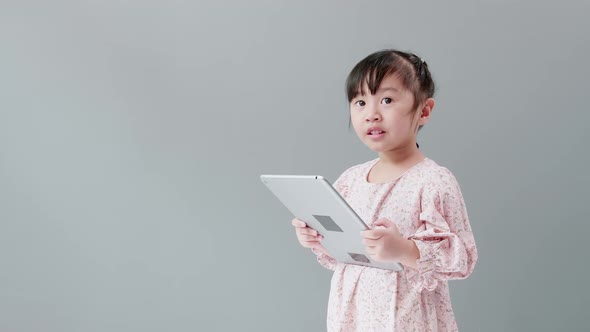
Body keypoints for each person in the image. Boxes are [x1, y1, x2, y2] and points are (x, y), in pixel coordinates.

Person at [291, 49, 478, 331]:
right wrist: (317, 236)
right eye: (360, 102)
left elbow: (461, 257)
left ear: (424, 111)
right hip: (353, 315)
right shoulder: (351, 179)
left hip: (407, 317)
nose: (371, 115)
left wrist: (404, 249)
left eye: (387, 100)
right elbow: (345, 249)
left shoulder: (433, 181)